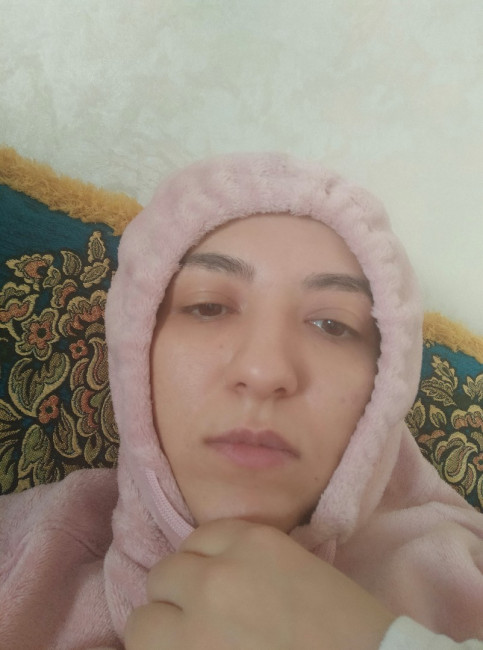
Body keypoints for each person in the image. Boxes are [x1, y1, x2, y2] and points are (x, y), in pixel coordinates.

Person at [0, 153, 482, 650]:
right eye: (208, 307)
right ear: (134, 349)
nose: (264, 372)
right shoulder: (24, 552)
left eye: (332, 325)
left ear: (385, 384)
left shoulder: (465, 578)